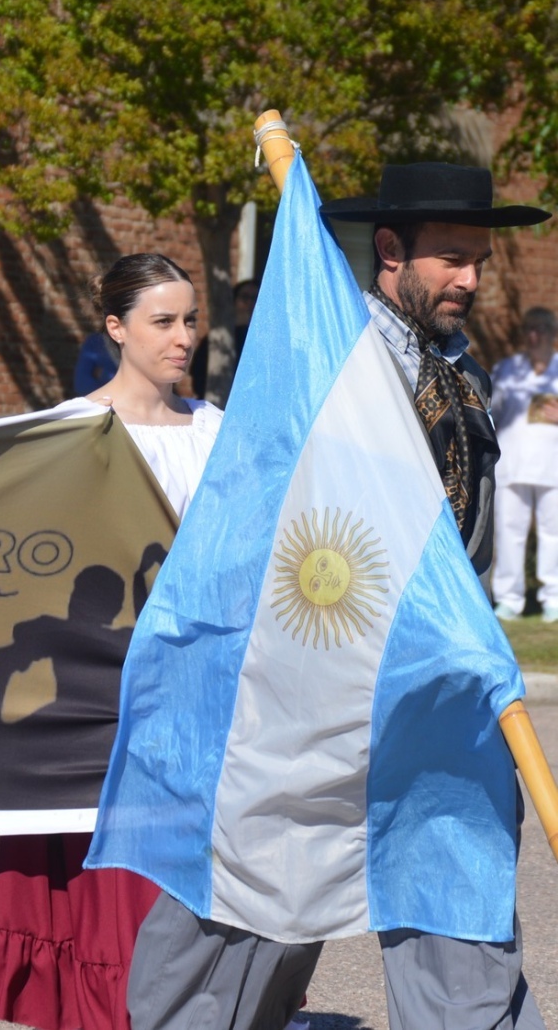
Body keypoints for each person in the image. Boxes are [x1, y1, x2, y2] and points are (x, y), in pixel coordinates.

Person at [117, 164, 549, 1030]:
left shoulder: (459, 373)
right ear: (390, 251)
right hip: (316, 696)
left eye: (479, 260)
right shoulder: (323, 365)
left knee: (457, 911)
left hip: (442, 695)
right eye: (452, 260)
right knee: (246, 916)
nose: (470, 279)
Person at [0, 253, 224, 1030]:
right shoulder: (68, 433)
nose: (183, 338)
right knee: (100, 892)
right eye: (163, 322)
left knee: (181, 887)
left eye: (190, 321)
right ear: (116, 328)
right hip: (91, 697)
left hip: (195, 692)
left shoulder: (218, 432)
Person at [491, 307, 558, 624]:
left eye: (542, 329)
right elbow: (491, 412)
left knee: (554, 533)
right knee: (508, 532)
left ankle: (553, 599)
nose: (536, 335)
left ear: (553, 334)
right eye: (530, 329)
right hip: (512, 463)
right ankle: (508, 599)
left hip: (553, 467)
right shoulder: (507, 370)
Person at [190, 277, 260, 400]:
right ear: (234, 301)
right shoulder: (218, 339)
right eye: (245, 298)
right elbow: (198, 376)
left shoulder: (263, 341)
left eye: (255, 299)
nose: (250, 304)